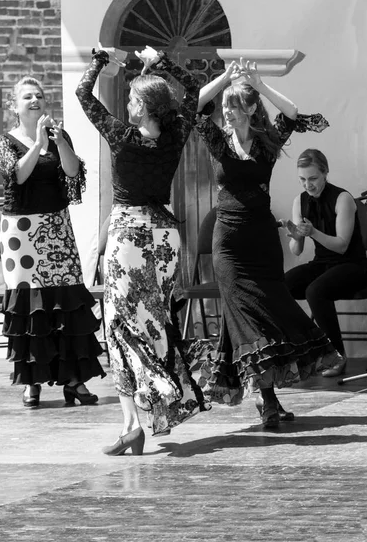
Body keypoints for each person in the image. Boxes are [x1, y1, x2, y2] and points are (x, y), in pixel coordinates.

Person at [75, 45, 209, 455]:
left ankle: (141, 413)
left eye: (133, 99)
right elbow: (196, 88)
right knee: (153, 320)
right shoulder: (175, 134)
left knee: (119, 324)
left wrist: (99, 60)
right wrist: (164, 60)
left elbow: (83, 94)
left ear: (144, 107)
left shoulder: (122, 136)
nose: (128, 104)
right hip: (166, 235)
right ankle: (144, 413)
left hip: (130, 235)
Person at [195, 58, 341, 428]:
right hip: (228, 243)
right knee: (244, 316)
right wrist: (226, 78)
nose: (227, 112)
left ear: (249, 110)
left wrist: (258, 85)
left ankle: (269, 399)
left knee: (270, 311)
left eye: (234, 106)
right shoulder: (216, 140)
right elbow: (196, 104)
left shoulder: (265, 145)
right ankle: (269, 399)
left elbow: (291, 114)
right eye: (225, 106)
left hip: (261, 240)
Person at [0, 76, 106, 408]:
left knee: (67, 302)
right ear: (15, 106)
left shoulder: (59, 136)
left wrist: (59, 144)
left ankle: (74, 381)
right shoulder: (6, 141)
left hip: (57, 228)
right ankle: (31, 383)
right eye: (27, 97)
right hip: (22, 234)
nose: (35, 100)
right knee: (31, 307)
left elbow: (73, 174)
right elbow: (17, 175)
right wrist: (36, 144)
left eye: (39, 96)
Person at [284, 149, 367, 376]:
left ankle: (336, 355)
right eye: (302, 179)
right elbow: (297, 250)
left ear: (325, 173)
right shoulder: (299, 201)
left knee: (315, 291)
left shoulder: (343, 199)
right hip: (322, 263)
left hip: (353, 266)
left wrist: (313, 232)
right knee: (282, 286)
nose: (307, 185)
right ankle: (305, 349)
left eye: (313, 179)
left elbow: (341, 246)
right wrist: (296, 236)